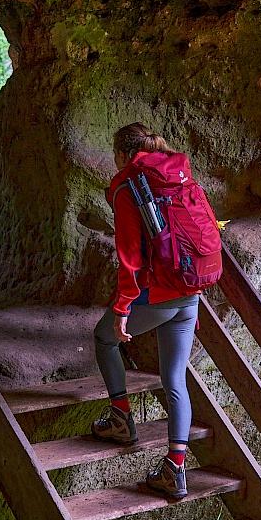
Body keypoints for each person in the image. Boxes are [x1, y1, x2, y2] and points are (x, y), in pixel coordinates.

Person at [90, 123, 202, 500]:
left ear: (122, 155)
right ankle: (175, 469)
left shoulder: (129, 188)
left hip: (158, 295)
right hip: (191, 292)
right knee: (175, 380)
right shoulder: (178, 176)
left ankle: (121, 419)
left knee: (104, 338)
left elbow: (130, 259)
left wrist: (122, 308)